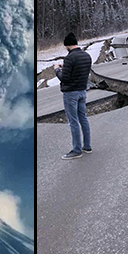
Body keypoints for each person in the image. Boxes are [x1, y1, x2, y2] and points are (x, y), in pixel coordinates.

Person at [54, 32, 92, 160]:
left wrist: (57, 70)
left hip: (71, 94)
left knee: (73, 121)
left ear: (67, 45)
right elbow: (80, 72)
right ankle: (87, 146)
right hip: (82, 91)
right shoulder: (87, 56)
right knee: (83, 119)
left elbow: (64, 78)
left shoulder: (69, 58)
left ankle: (76, 150)